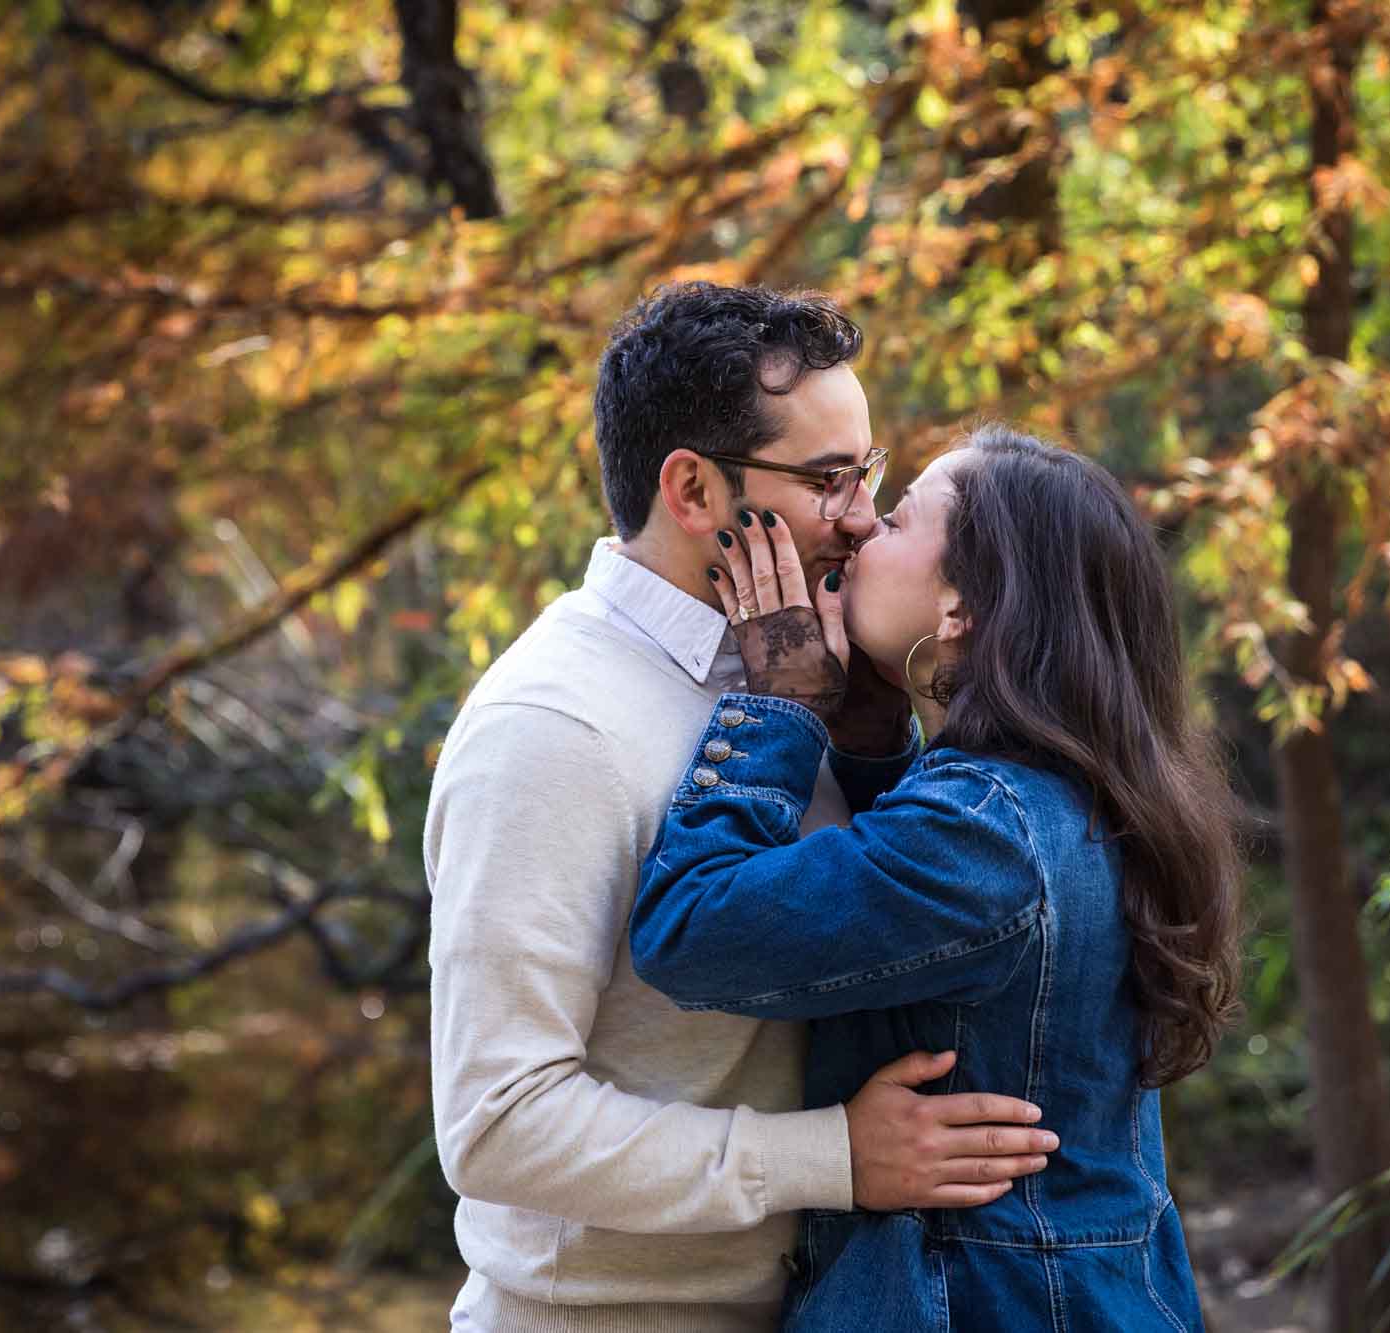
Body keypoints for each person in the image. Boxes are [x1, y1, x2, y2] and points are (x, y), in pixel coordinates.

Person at [425, 286, 1058, 1333]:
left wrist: (862, 737)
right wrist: (834, 1157)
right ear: (692, 491)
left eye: (869, 473)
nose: (860, 515)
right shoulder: (550, 725)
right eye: (825, 480)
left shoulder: (793, 663)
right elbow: (497, 1125)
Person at [629, 425, 1244, 1331]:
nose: (862, 526)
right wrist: (873, 739)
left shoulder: (983, 835)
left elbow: (690, 930)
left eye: (900, 516)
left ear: (960, 607)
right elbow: (911, 924)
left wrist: (773, 709)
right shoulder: (1051, 797)